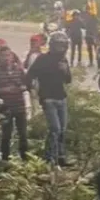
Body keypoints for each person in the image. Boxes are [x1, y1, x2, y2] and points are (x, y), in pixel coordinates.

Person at [26, 32, 72, 168]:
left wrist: (65, 70)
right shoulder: (42, 59)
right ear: (52, 45)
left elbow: (68, 80)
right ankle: (50, 158)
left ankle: (61, 156)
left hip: (61, 97)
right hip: (48, 98)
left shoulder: (63, 60)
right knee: (55, 129)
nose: (61, 49)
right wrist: (34, 91)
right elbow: (29, 75)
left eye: (63, 46)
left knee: (62, 129)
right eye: (58, 46)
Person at [0, 39, 29, 163]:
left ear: (12, 56)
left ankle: (25, 158)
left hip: (20, 106)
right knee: (6, 134)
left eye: (8, 55)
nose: (6, 58)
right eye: (3, 56)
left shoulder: (19, 69)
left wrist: (23, 87)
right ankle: (5, 159)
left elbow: (26, 84)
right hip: (5, 108)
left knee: (23, 134)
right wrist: (3, 90)